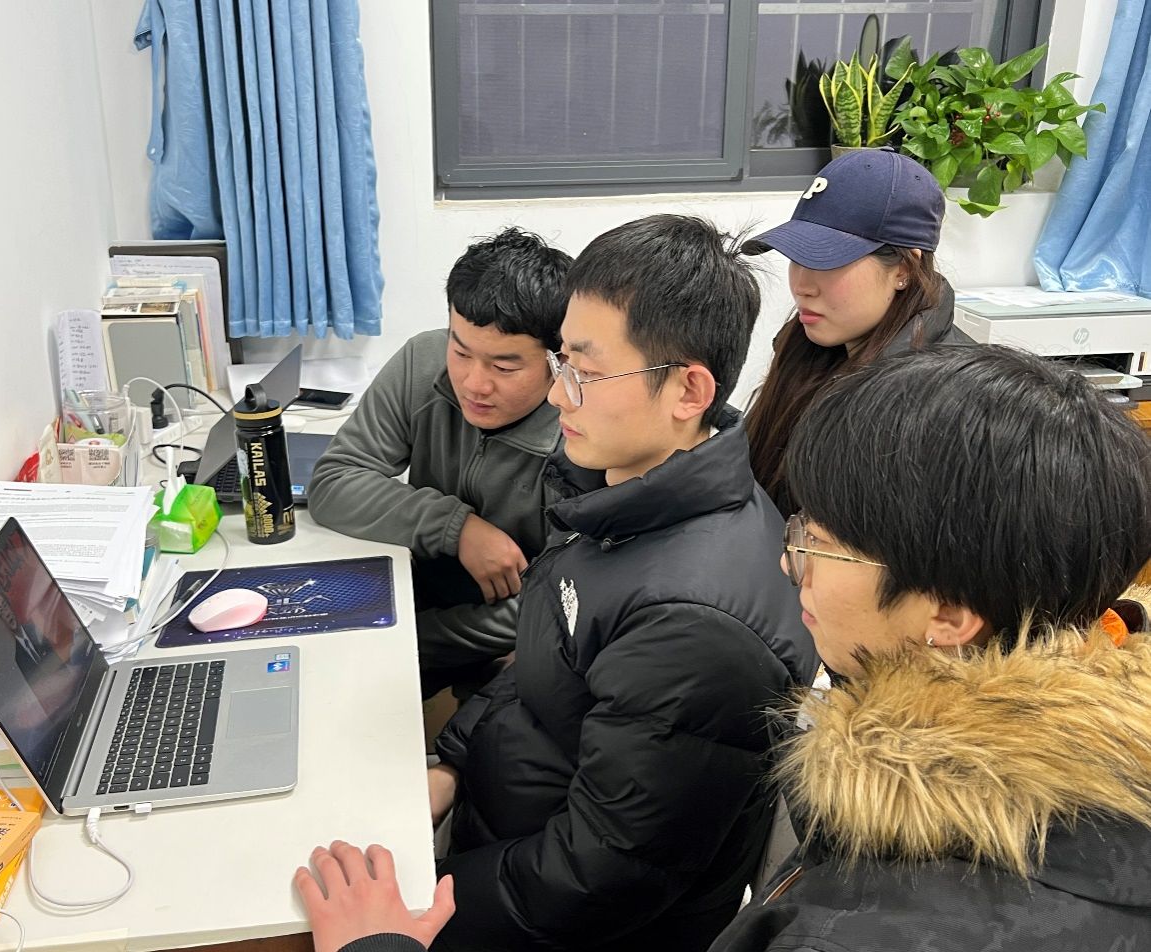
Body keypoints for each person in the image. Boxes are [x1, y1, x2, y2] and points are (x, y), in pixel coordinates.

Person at [295, 345, 1151, 952]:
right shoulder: (959, 769)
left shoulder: (884, 924)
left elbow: (602, 872)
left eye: (820, 545)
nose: (788, 561)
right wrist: (454, 760)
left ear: (951, 615)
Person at [300, 214, 818, 951]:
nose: (556, 396)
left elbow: (593, 881)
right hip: (499, 835)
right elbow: (543, 660)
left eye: (585, 372)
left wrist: (424, 902)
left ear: (688, 390)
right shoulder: (616, 491)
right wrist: (452, 764)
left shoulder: (695, 624)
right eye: (560, 362)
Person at [307, 228, 573, 698]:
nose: (474, 383)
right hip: (413, 591)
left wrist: (406, 640)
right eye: (461, 351)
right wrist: (456, 528)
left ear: (558, 361)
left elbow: (562, 605)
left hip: (510, 634)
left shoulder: (581, 431)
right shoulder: (423, 359)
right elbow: (334, 481)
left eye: (504, 367)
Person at [743, 148, 972, 516]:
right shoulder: (808, 352)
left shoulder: (946, 403)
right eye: (797, 258)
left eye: (826, 260)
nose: (802, 286)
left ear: (904, 269)